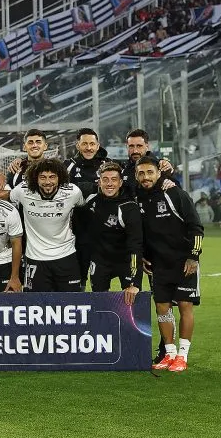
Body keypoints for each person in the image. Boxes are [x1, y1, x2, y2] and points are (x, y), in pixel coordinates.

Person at [135, 156, 203, 373]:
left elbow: (196, 227)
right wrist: (142, 255)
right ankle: (170, 354)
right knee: (162, 308)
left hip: (184, 262)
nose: (146, 177)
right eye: (141, 173)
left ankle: (183, 355)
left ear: (158, 173)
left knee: (184, 305)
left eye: (150, 172)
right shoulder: (137, 198)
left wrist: (194, 256)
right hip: (158, 264)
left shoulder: (175, 193)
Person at [9, 158, 89, 292]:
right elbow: (6, 196)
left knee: (71, 302)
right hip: (35, 259)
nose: (47, 182)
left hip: (66, 257)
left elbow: (82, 210)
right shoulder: (22, 190)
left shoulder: (73, 192)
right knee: (36, 303)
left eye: (52, 177)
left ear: (60, 178)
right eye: (43, 177)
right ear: (35, 178)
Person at [84, 162, 144, 303]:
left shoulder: (129, 208)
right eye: (105, 180)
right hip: (100, 261)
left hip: (125, 261)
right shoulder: (91, 201)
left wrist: (135, 282)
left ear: (120, 183)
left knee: (132, 302)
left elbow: (136, 245)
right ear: (99, 182)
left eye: (114, 179)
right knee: (99, 304)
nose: (109, 184)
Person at [65, 128, 111, 288]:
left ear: (98, 145)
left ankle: (105, 304)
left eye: (92, 144)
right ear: (78, 145)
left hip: (104, 233)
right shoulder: (67, 166)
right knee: (79, 280)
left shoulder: (109, 165)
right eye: (84, 144)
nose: (89, 148)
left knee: (101, 280)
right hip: (76, 233)